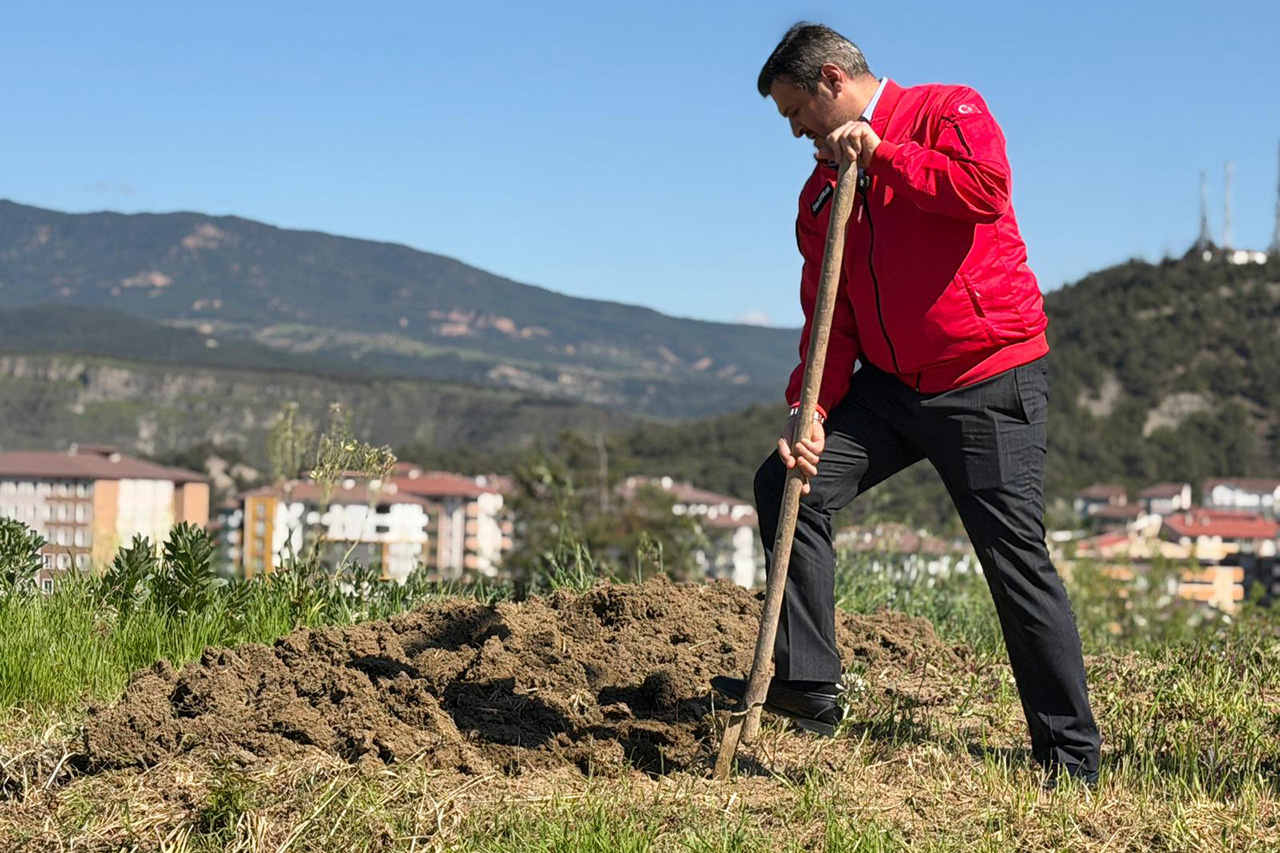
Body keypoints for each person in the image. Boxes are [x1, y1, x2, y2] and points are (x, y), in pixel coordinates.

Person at [712, 22, 1101, 786]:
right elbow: (831, 316)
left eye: (797, 112)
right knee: (788, 482)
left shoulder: (946, 111)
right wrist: (810, 410)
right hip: (893, 387)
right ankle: (810, 682)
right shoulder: (820, 191)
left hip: (985, 376)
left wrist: (884, 155)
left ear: (832, 79)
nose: (795, 131)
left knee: (1013, 560)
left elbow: (984, 191)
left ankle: (1069, 754)